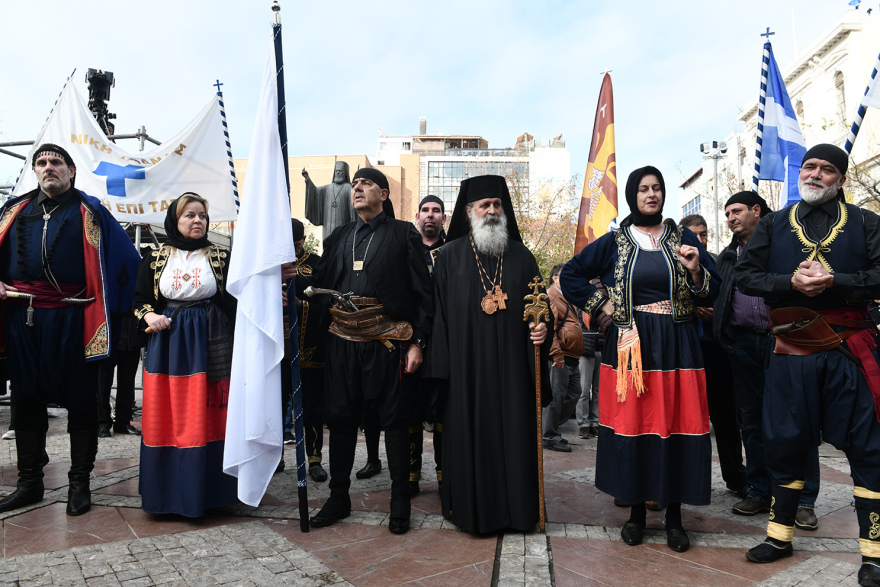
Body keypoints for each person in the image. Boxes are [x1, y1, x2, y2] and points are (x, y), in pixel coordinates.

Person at [734, 144, 880, 586]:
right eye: (810, 166)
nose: (815, 174)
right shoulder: (775, 223)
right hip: (791, 350)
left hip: (849, 348)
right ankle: (780, 536)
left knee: (869, 447)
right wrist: (788, 281)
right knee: (783, 440)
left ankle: (873, 553)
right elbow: (745, 277)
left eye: (827, 169)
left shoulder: (865, 222)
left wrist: (839, 281)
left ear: (841, 179)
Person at [560, 166, 718, 553]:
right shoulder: (615, 240)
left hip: (678, 346)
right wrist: (604, 306)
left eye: (657, 188)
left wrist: (696, 271)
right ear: (633, 195)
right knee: (635, 426)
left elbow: (712, 291)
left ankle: (675, 518)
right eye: (644, 189)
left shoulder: (684, 239)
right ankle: (635, 515)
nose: (652, 194)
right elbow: (572, 274)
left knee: (677, 425)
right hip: (631, 346)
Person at [0, 143, 140, 516]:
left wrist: (135, 309)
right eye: (42, 163)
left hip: (73, 317)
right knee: (25, 398)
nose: (49, 168)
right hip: (22, 318)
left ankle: (80, 483)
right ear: (34, 170)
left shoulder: (91, 212)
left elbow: (129, 262)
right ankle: (30, 484)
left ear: (71, 170)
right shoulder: (12, 211)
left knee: (82, 400)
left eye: (56, 162)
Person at [305, 168, 433, 535]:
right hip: (342, 342)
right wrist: (289, 279)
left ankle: (399, 501)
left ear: (385, 193)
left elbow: (424, 294)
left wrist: (417, 343)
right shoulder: (341, 235)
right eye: (355, 184)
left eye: (365, 183)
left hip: (387, 341)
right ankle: (339, 497)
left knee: (394, 421)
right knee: (341, 418)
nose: (357, 187)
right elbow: (320, 281)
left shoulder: (402, 233)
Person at [430, 174, 549, 534]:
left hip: (514, 369)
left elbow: (541, 308)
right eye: (485, 205)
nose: (493, 211)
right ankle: (472, 512)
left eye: (497, 204)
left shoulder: (522, 257)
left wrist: (545, 326)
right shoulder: (448, 258)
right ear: (469, 212)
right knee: (469, 439)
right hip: (467, 375)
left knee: (515, 437)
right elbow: (440, 320)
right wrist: (444, 375)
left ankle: (519, 512)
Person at [714, 192, 821, 528]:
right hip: (743, 346)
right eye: (727, 212)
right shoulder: (728, 256)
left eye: (737, 211)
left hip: (786, 341)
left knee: (797, 419)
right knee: (753, 422)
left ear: (756, 211)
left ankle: (803, 501)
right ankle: (758, 491)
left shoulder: (788, 243)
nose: (730, 218)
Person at [133, 193, 238, 517]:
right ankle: (166, 494)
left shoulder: (222, 255)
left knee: (210, 414)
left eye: (203, 216)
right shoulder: (156, 256)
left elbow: (240, 296)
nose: (198, 221)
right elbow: (138, 302)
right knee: (169, 413)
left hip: (212, 339)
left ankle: (210, 494)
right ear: (175, 221)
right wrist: (149, 317)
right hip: (170, 345)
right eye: (190, 215)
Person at [680, 213, 747, 499]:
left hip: (717, 348)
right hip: (685, 350)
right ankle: (685, 478)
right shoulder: (673, 264)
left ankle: (735, 476)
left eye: (704, 234)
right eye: (694, 235)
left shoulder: (720, 261)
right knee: (686, 419)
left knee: (726, 418)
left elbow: (731, 298)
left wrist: (715, 311)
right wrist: (694, 309)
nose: (701, 240)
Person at [281, 219, 328, 482]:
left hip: (310, 348)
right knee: (276, 404)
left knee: (312, 406)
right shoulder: (270, 265)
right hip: (278, 350)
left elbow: (326, 305)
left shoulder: (317, 263)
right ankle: (275, 455)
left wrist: (300, 305)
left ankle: (314, 459)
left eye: (297, 244)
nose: (294, 249)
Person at [408, 195, 446, 496]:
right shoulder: (406, 250)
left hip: (446, 344)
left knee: (445, 412)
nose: (430, 216)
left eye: (436, 211)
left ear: (443, 219)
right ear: (417, 216)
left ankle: (445, 473)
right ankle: (411, 473)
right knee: (411, 410)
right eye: (426, 211)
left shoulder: (454, 252)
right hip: (411, 342)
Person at [542, 262, 583, 452]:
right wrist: (556, 354)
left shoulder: (567, 297)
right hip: (560, 357)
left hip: (572, 356)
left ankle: (548, 427)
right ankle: (548, 435)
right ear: (555, 278)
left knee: (574, 394)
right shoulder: (552, 296)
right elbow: (550, 329)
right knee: (555, 398)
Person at [96, 313, 144, 437]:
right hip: (108, 338)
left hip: (132, 339)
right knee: (102, 384)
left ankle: (123, 422)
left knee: (127, 384)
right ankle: (102, 422)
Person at [303, 161, 355, 241]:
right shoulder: (327, 188)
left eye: (340, 171)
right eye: (336, 171)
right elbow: (315, 192)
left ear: (345, 174)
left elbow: (353, 209)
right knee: (328, 247)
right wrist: (308, 180)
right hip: (327, 227)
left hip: (343, 226)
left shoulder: (349, 188)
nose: (338, 173)